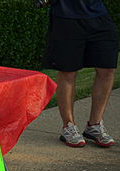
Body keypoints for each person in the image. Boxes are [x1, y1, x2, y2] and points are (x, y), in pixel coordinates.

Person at [43, 0, 118, 147]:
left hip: (98, 15)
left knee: (107, 68)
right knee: (68, 71)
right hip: (66, 17)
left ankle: (94, 125)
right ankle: (68, 126)